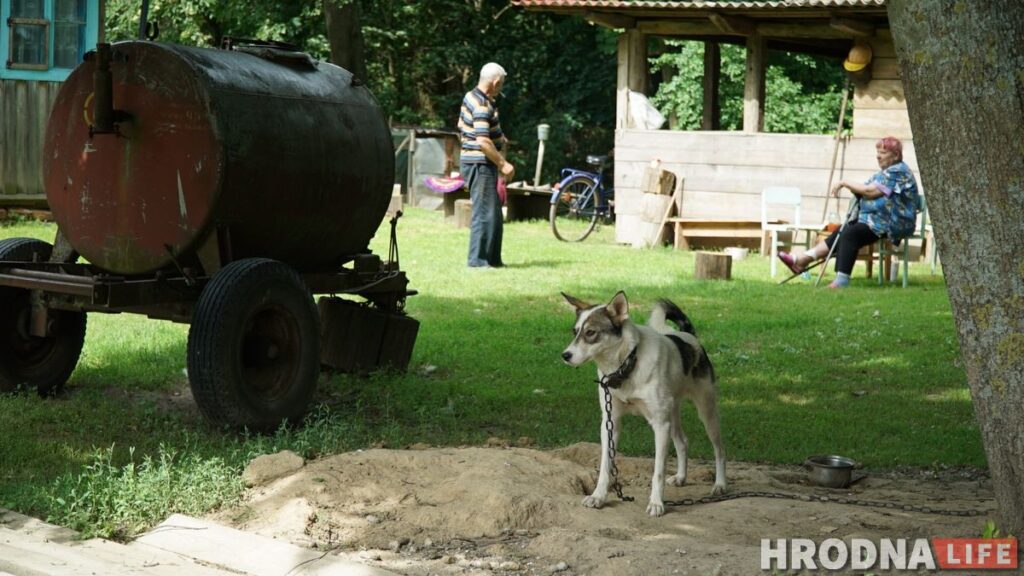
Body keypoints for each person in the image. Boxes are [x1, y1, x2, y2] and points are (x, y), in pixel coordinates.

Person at [778, 136, 920, 288]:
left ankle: (841, 280)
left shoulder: (898, 171)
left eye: (883, 153)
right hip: (879, 220)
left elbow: (869, 191)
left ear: (896, 155)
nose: (878, 156)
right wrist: (856, 190)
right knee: (845, 229)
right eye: (877, 152)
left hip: (896, 223)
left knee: (851, 234)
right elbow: (864, 189)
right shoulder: (884, 173)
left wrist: (844, 182)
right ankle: (802, 260)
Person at [458, 62, 515, 268]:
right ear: (496, 81)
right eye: (502, 84)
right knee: (485, 212)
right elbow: (482, 141)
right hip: (480, 164)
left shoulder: (472, 97)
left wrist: (499, 137)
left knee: (493, 212)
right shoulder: (482, 104)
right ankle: (478, 261)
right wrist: (503, 164)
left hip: (479, 163)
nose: (502, 87)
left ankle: (492, 260)